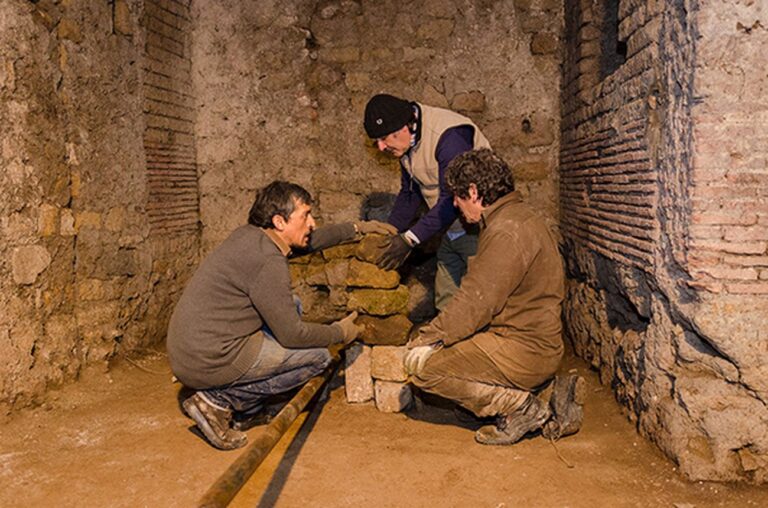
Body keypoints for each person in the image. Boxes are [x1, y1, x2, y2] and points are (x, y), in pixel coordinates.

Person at [167, 180, 396, 450]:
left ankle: (246, 411)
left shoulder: (251, 236)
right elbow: (292, 335)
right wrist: (340, 332)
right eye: (305, 216)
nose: (312, 223)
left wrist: (357, 228)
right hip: (210, 357)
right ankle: (217, 401)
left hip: (192, 349)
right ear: (279, 221)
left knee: (294, 304)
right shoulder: (268, 261)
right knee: (317, 357)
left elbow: (310, 242)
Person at [402, 149, 585, 445]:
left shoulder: (506, 232)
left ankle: (521, 407)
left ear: (473, 192)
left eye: (457, 199)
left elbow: (475, 304)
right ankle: (546, 393)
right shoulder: (519, 217)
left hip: (523, 348)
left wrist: (426, 338)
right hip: (534, 341)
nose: (458, 208)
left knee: (424, 370)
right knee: (454, 348)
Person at [363, 93, 491, 310]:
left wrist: (409, 239)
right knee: (447, 294)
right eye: (377, 141)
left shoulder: (449, 138)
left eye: (384, 139)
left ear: (404, 127)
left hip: (477, 224)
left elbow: (453, 197)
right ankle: (446, 336)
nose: (381, 147)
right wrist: (390, 231)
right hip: (449, 225)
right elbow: (410, 193)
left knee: (481, 292)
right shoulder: (407, 143)